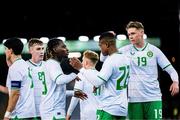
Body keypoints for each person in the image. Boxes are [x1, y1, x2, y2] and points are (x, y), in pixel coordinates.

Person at [100, 21, 179, 119]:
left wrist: (175, 82)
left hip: (153, 98)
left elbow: (171, 70)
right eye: (129, 34)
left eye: (133, 33)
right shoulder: (125, 50)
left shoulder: (154, 51)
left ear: (142, 32)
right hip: (133, 100)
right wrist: (107, 38)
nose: (130, 36)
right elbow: (103, 59)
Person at [70, 31, 130, 120]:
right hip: (122, 107)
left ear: (107, 44)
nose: (100, 49)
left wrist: (81, 68)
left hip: (109, 108)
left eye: (100, 45)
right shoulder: (125, 58)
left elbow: (98, 82)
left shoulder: (110, 60)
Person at [40, 38, 78, 120]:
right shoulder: (53, 64)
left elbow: (55, 91)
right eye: (63, 47)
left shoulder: (50, 64)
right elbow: (59, 80)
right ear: (55, 49)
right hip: (53, 111)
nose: (67, 49)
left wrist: (73, 93)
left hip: (50, 111)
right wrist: (75, 74)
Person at [3, 37, 36, 119]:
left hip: (20, 114)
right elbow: (12, 90)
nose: (5, 51)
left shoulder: (15, 68)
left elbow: (15, 93)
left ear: (10, 51)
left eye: (6, 49)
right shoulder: (25, 65)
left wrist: (7, 115)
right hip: (29, 113)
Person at [66, 50, 103, 120]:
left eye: (82, 61)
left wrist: (69, 114)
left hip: (88, 114)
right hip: (101, 113)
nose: (82, 63)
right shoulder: (101, 75)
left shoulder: (81, 75)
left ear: (86, 62)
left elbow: (76, 96)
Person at [26, 38, 46, 119]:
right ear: (30, 51)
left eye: (42, 49)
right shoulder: (23, 66)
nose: (41, 51)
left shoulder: (49, 66)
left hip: (46, 112)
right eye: (38, 49)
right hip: (29, 114)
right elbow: (14, 90)